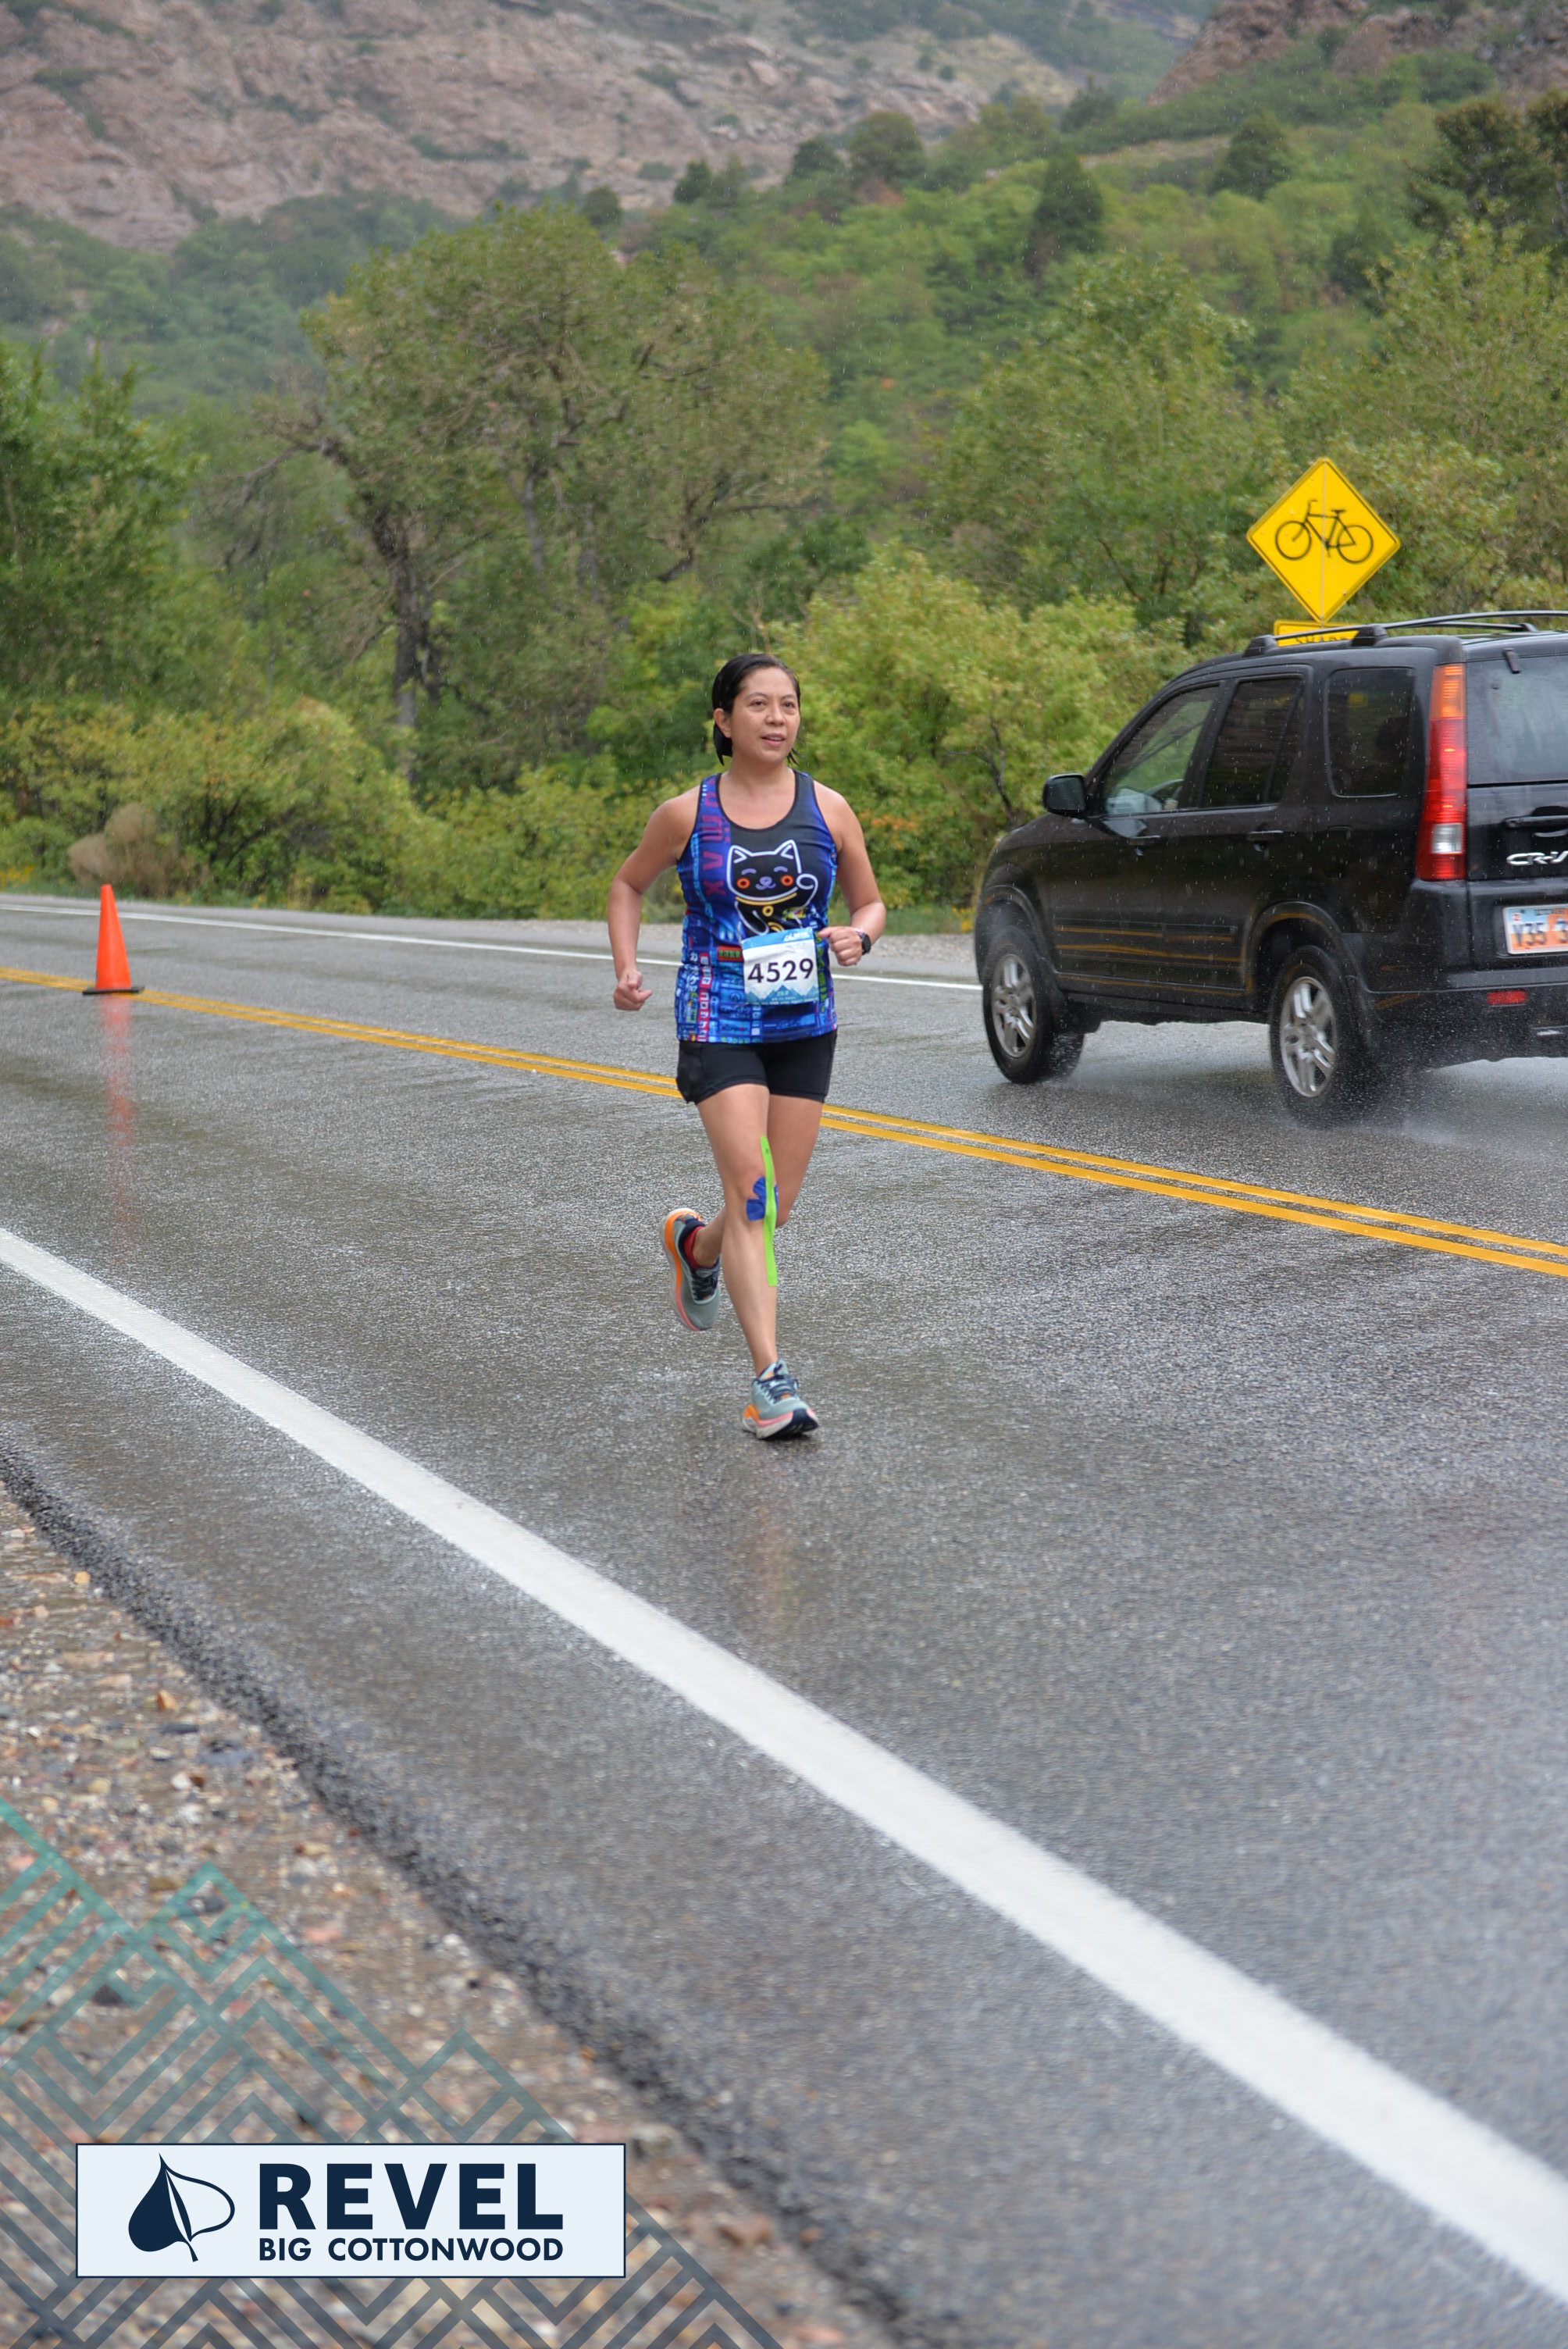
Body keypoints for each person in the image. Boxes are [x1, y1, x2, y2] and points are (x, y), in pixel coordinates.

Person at [608, 653, 886, 1438]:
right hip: (718, 1020)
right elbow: (627, 884)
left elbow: (870, 902)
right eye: (758, 704)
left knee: (772, 1207)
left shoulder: (829, 808)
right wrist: (626, 965)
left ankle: (696, 1249)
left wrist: (859, 935)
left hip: (804, 1024)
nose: (776, 718)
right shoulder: (686, 814)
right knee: (753, 1192)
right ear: (724, 720)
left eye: (788, 704)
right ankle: (771, 1382)